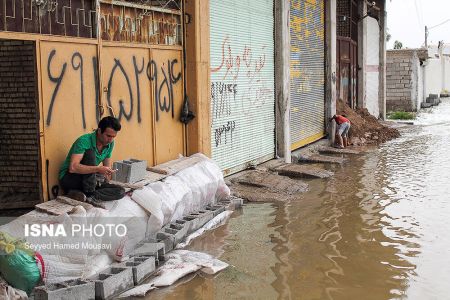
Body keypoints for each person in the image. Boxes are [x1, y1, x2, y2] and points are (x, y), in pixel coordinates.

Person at [59, 116, 125, 207]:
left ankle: (82, 195)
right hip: (70, 178)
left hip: (89, 180)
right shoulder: (84, 141)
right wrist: (98, 169)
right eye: (108, 136)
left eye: (113, 137)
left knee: (121, 191)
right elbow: (73, 168)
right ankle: (89, 194)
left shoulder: (110, 144)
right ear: (99, 131)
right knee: (90, 153)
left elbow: (107, 169)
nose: (110, 140)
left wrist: (105, 177)